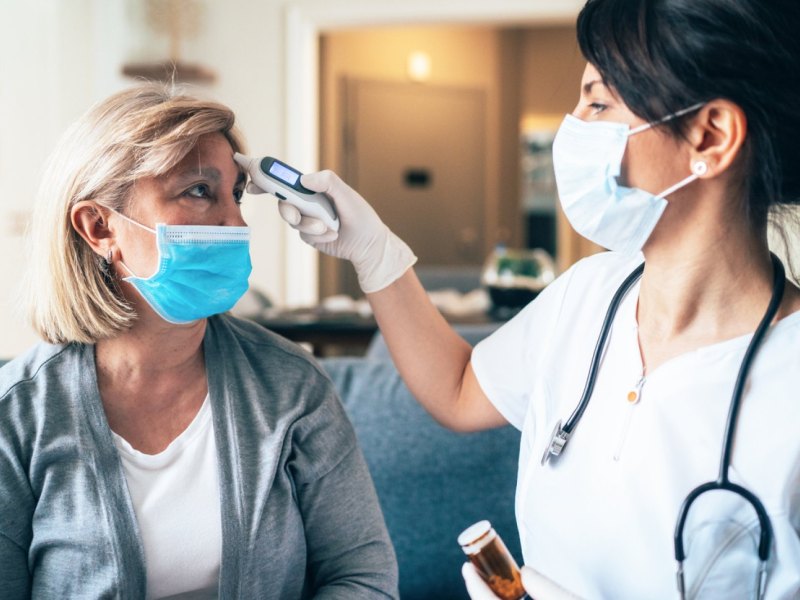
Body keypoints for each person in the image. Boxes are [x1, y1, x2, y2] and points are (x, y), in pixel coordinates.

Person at [259, 0, 800, 597]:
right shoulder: (589, 295)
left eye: (598, 102)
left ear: (710, 135)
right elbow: (459, 390)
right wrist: (375, 253)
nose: (573, 128)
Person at [0, 83, 398, 599]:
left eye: (234, 194)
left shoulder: (293, 387)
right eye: (198, 191)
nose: (235, 221)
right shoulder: (17, 416)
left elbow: (363, 578)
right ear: (99, 227)